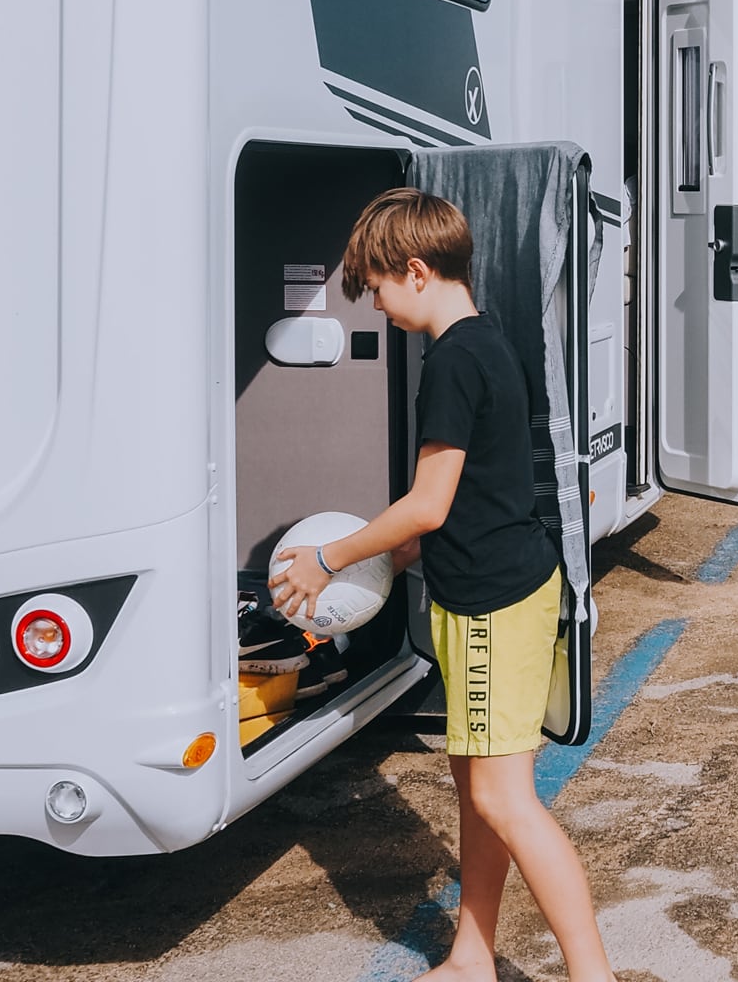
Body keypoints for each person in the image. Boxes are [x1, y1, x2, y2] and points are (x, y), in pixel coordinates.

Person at [271, 190, 615, 982]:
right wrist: (393, 560)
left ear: (416, 272)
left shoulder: (454, 360)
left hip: (496, 603)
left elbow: (427, 501)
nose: (381, 308)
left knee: (504, 799)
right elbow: (471, 494)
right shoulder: (487, 341)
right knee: (477, 790)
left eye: (380, 288)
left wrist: (330, 559)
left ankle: (592, 975)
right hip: (481, 594)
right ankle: (471, 957)